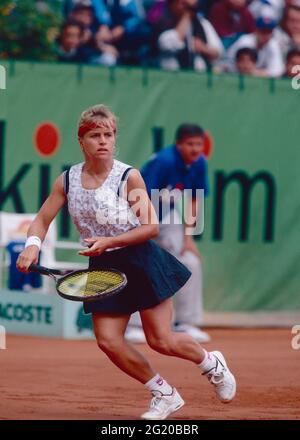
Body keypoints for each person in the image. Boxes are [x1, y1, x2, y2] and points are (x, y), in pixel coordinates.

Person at [16, 104, 236, 420]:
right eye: (95, 135)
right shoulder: (67, 181)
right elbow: (40, 220)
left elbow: (151, 227)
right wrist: (32, 246)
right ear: (82, 141)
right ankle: (164, 393)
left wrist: (110, 241)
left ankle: (212, 363)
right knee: (107, 341)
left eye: (108, 134)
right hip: (102, 266)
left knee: (161, 340)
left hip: (141, 259)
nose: (103, 141)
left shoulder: (128, 177)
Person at [126, 123, 211, 344]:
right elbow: (140, 196)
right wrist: (145, 230)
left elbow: (194, 199)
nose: (195, 149)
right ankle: (134, 326)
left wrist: (188, 238)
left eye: (199, 144)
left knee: (189, 260)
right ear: (179, 144)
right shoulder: (164, 161)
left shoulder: (199, 163)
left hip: (168, 215)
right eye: (190, 144)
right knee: (142, 265)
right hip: (139, 214)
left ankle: (186, 322)